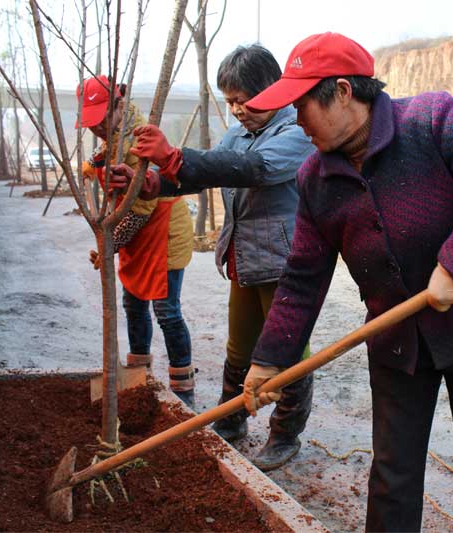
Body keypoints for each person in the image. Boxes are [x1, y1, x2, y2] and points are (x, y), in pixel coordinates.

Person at [238, 33, 453, 532]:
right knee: (392, 474)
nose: (296, 120)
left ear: (342, 92)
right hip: (397, 338)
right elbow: (303, 276)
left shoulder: (431, 120)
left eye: (301, 105)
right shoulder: (315, 178)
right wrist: (270, 359)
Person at [122, 45, 316, 471]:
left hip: (284, 263)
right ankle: (231, 419)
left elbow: (254, 169)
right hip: (244, 258)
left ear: (271, 90)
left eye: (242, 100)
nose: (236, 110)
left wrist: (174, 158)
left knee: (289, 349)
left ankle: (285, 434)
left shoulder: (297, 132)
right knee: (239, 346)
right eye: (229, 101)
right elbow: (209, 169)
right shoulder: (239, 134)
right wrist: (153, 182)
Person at [77, 75, 196, 408]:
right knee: (133, 304)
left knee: (166, 310)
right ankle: (139, 380)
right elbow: (107, 150)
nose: (97, 128)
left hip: (161, 230)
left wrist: (110, 245)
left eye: (101, 119)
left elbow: (142, 207)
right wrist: (93, 164)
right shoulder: (116, 134)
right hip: (135, 233)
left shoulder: (139, 139)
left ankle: (183, 388)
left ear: (119, 106)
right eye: (91, 122)